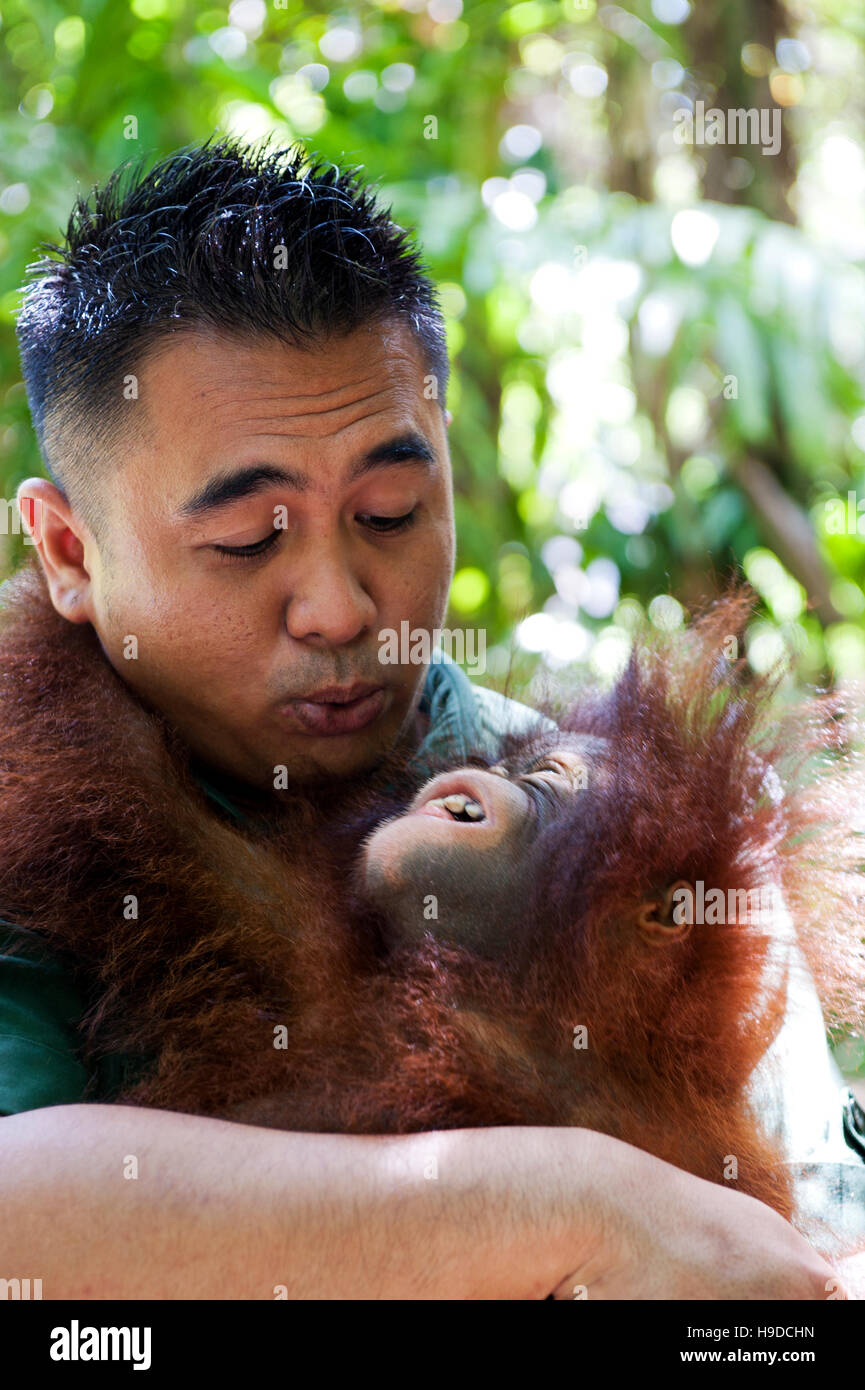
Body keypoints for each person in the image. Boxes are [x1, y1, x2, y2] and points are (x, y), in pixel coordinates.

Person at [0, 136, 858, 1300]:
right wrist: (574, 1205)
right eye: (249, 538)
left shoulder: (675, 881)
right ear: (67, 550)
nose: (340, 608)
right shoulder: (60, 786)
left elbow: (796, 1268)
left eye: (391, 512)